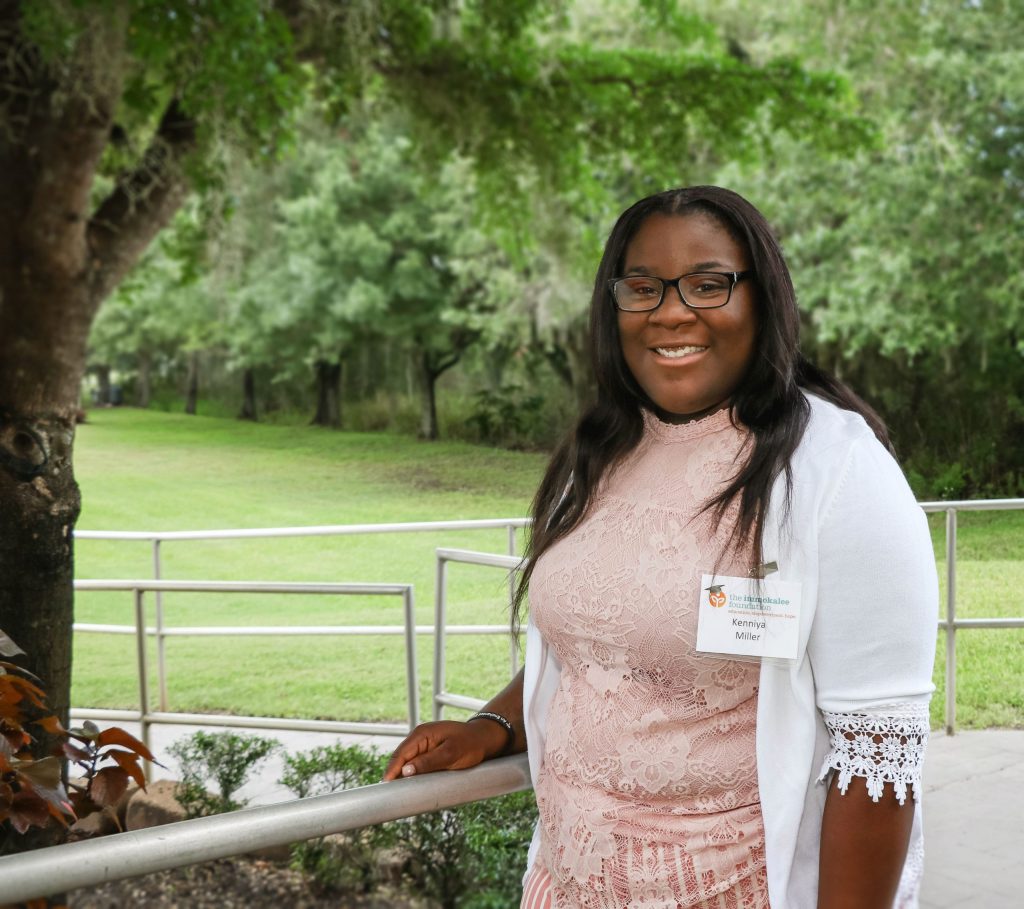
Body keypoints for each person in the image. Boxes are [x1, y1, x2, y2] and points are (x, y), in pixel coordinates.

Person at [383, 186, 937, 909]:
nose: (672, 311)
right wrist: (492, 725)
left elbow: (877, 754)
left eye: (708, 284)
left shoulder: (836, 470)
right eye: (643, 288)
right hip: (563, 885)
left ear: (763, 299)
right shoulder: (603, 450)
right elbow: (598, 644)